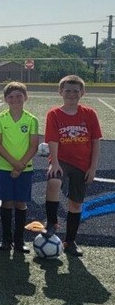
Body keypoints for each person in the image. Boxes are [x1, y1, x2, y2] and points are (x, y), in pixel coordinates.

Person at [44, 75, 101, 257]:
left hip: (82, 163)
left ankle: (70, 241)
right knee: (54, 182)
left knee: (75, 204)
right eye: (67, 90)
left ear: (82, 93)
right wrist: (54, 162)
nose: (71, 94)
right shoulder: (54, 114)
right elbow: (53, 140)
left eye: (76, 91)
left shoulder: (90, 114)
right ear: (60, 92)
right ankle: (52, 223)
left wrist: (92, 167)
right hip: (62, 160)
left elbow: (95, 142)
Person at [0, 82, 39, 253]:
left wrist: (20, 165)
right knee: (7, 202)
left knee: (20, 203)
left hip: (24, 168)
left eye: (19, 95)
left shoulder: (32, 120)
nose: (15, 99)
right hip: (5, 168)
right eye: (11, 96)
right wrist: (14, 164)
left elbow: (33, 146)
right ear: (5, 99)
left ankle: (19, 240)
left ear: (25, 97)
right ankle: (6, 239)